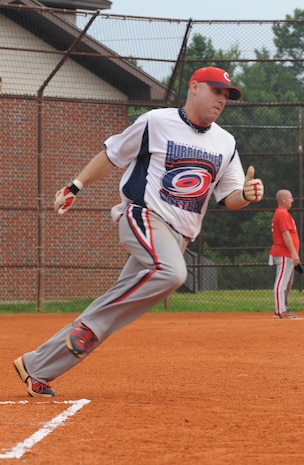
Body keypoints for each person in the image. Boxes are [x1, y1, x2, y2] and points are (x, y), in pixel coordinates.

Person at [13, 66, 264, 397]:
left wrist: (245, 196)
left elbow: (228, 197)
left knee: (118, 301)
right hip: (144, 217)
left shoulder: (225, 142)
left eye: (226, 96)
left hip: (179, 236)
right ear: (194, 87)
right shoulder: (156, 122)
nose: (221, 100)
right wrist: (75, 186)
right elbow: (112, 154)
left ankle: (37, 366)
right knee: (172, 273)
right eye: (216, 91)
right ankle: (91, 327)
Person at [269, 189, 300, 319]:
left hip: (286, 253)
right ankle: (280, 311)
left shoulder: (283, 213)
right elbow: (285, 234)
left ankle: (283, 308)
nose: (292, 200)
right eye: (290, 198)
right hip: (283, 253)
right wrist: (294, 253)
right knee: (281, 282)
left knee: (287, 283)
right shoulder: (282, 213)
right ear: (283, 200)